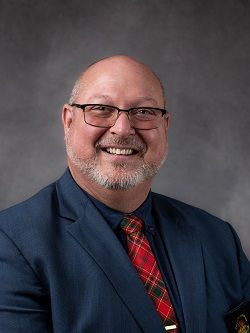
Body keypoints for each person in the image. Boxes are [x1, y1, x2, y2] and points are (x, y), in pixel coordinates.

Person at [0, 55, 249, 333]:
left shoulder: (217, 237)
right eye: (101, 109)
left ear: (164, 126)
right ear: (68, 121)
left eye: (143, 112)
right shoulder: (10, 244)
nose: (122, 128)